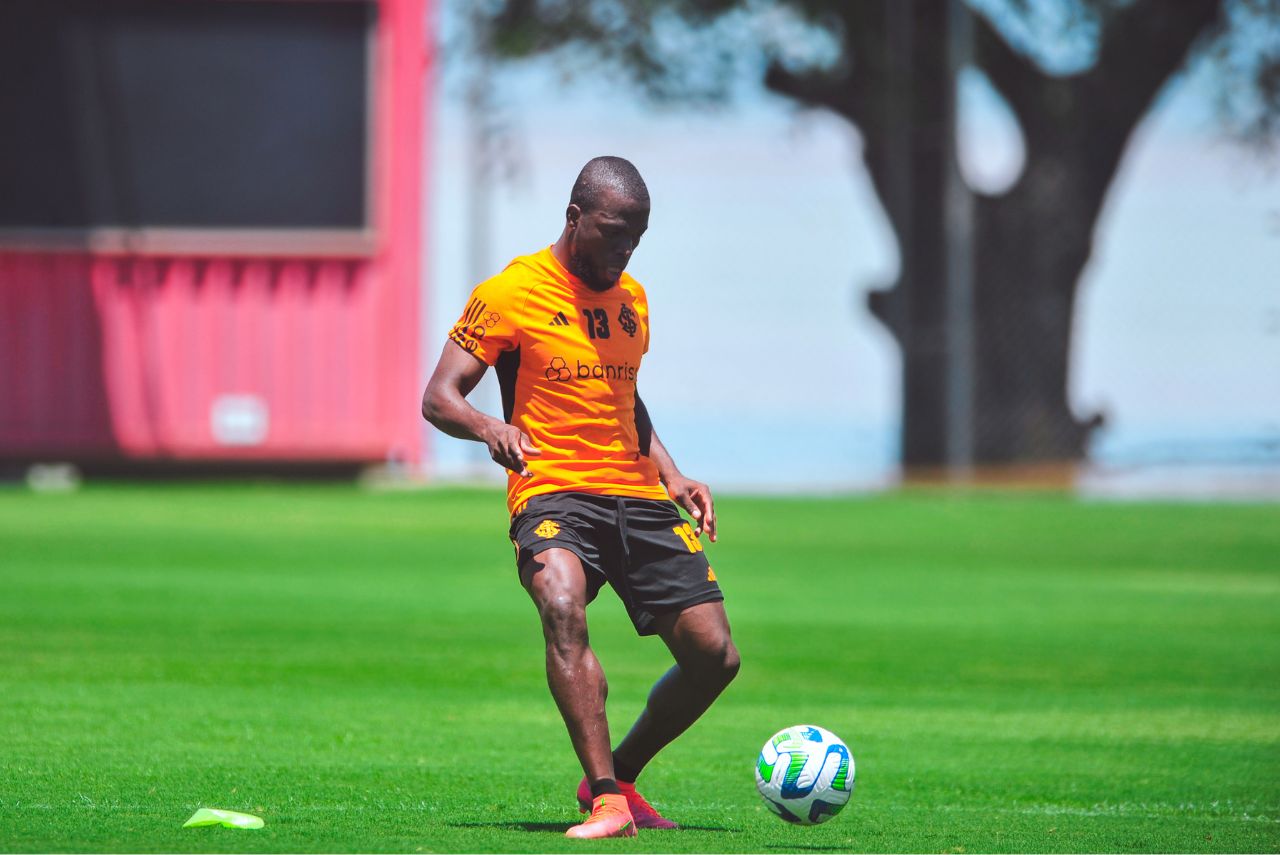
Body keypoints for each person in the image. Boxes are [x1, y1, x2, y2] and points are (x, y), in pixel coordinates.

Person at [421, 156, 740, 839]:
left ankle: (621, 774)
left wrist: (674, 474)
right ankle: (606, 800)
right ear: (574, 218)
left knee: (714, 656)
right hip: (553, 490)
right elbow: (439, 397)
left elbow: (622, 397)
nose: (624, 252)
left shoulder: (633, 300)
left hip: (637, 494)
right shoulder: (511, 291)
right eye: (614, 233)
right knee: (562, 603)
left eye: (636, 239)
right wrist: (490, 427)